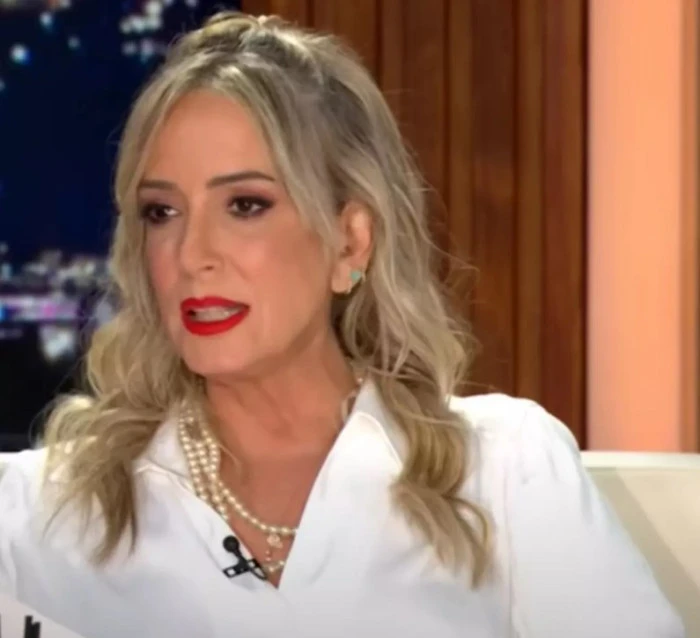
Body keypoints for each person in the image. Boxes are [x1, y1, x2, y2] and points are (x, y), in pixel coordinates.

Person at [0, 11, 684, 638]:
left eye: (245, 205)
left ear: (350, 242)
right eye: (162, 213)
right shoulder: (37, 513)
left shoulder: (506, 472)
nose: (191, 254)